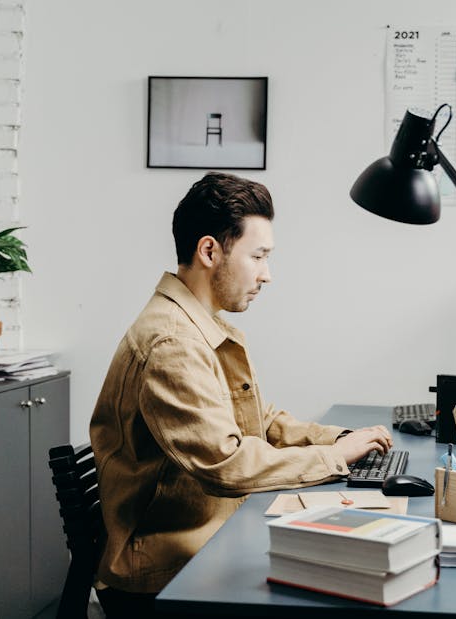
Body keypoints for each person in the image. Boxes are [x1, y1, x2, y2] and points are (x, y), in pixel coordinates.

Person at [89, 172, 392, 617]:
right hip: (161, 571)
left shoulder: (199, 326)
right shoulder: (172, 343)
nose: (267, 275)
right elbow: (225, 463)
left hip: (205, 540)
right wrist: (336, 459)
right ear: (209, 250)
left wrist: (339, 439)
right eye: (259, 256)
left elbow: (262, 420)